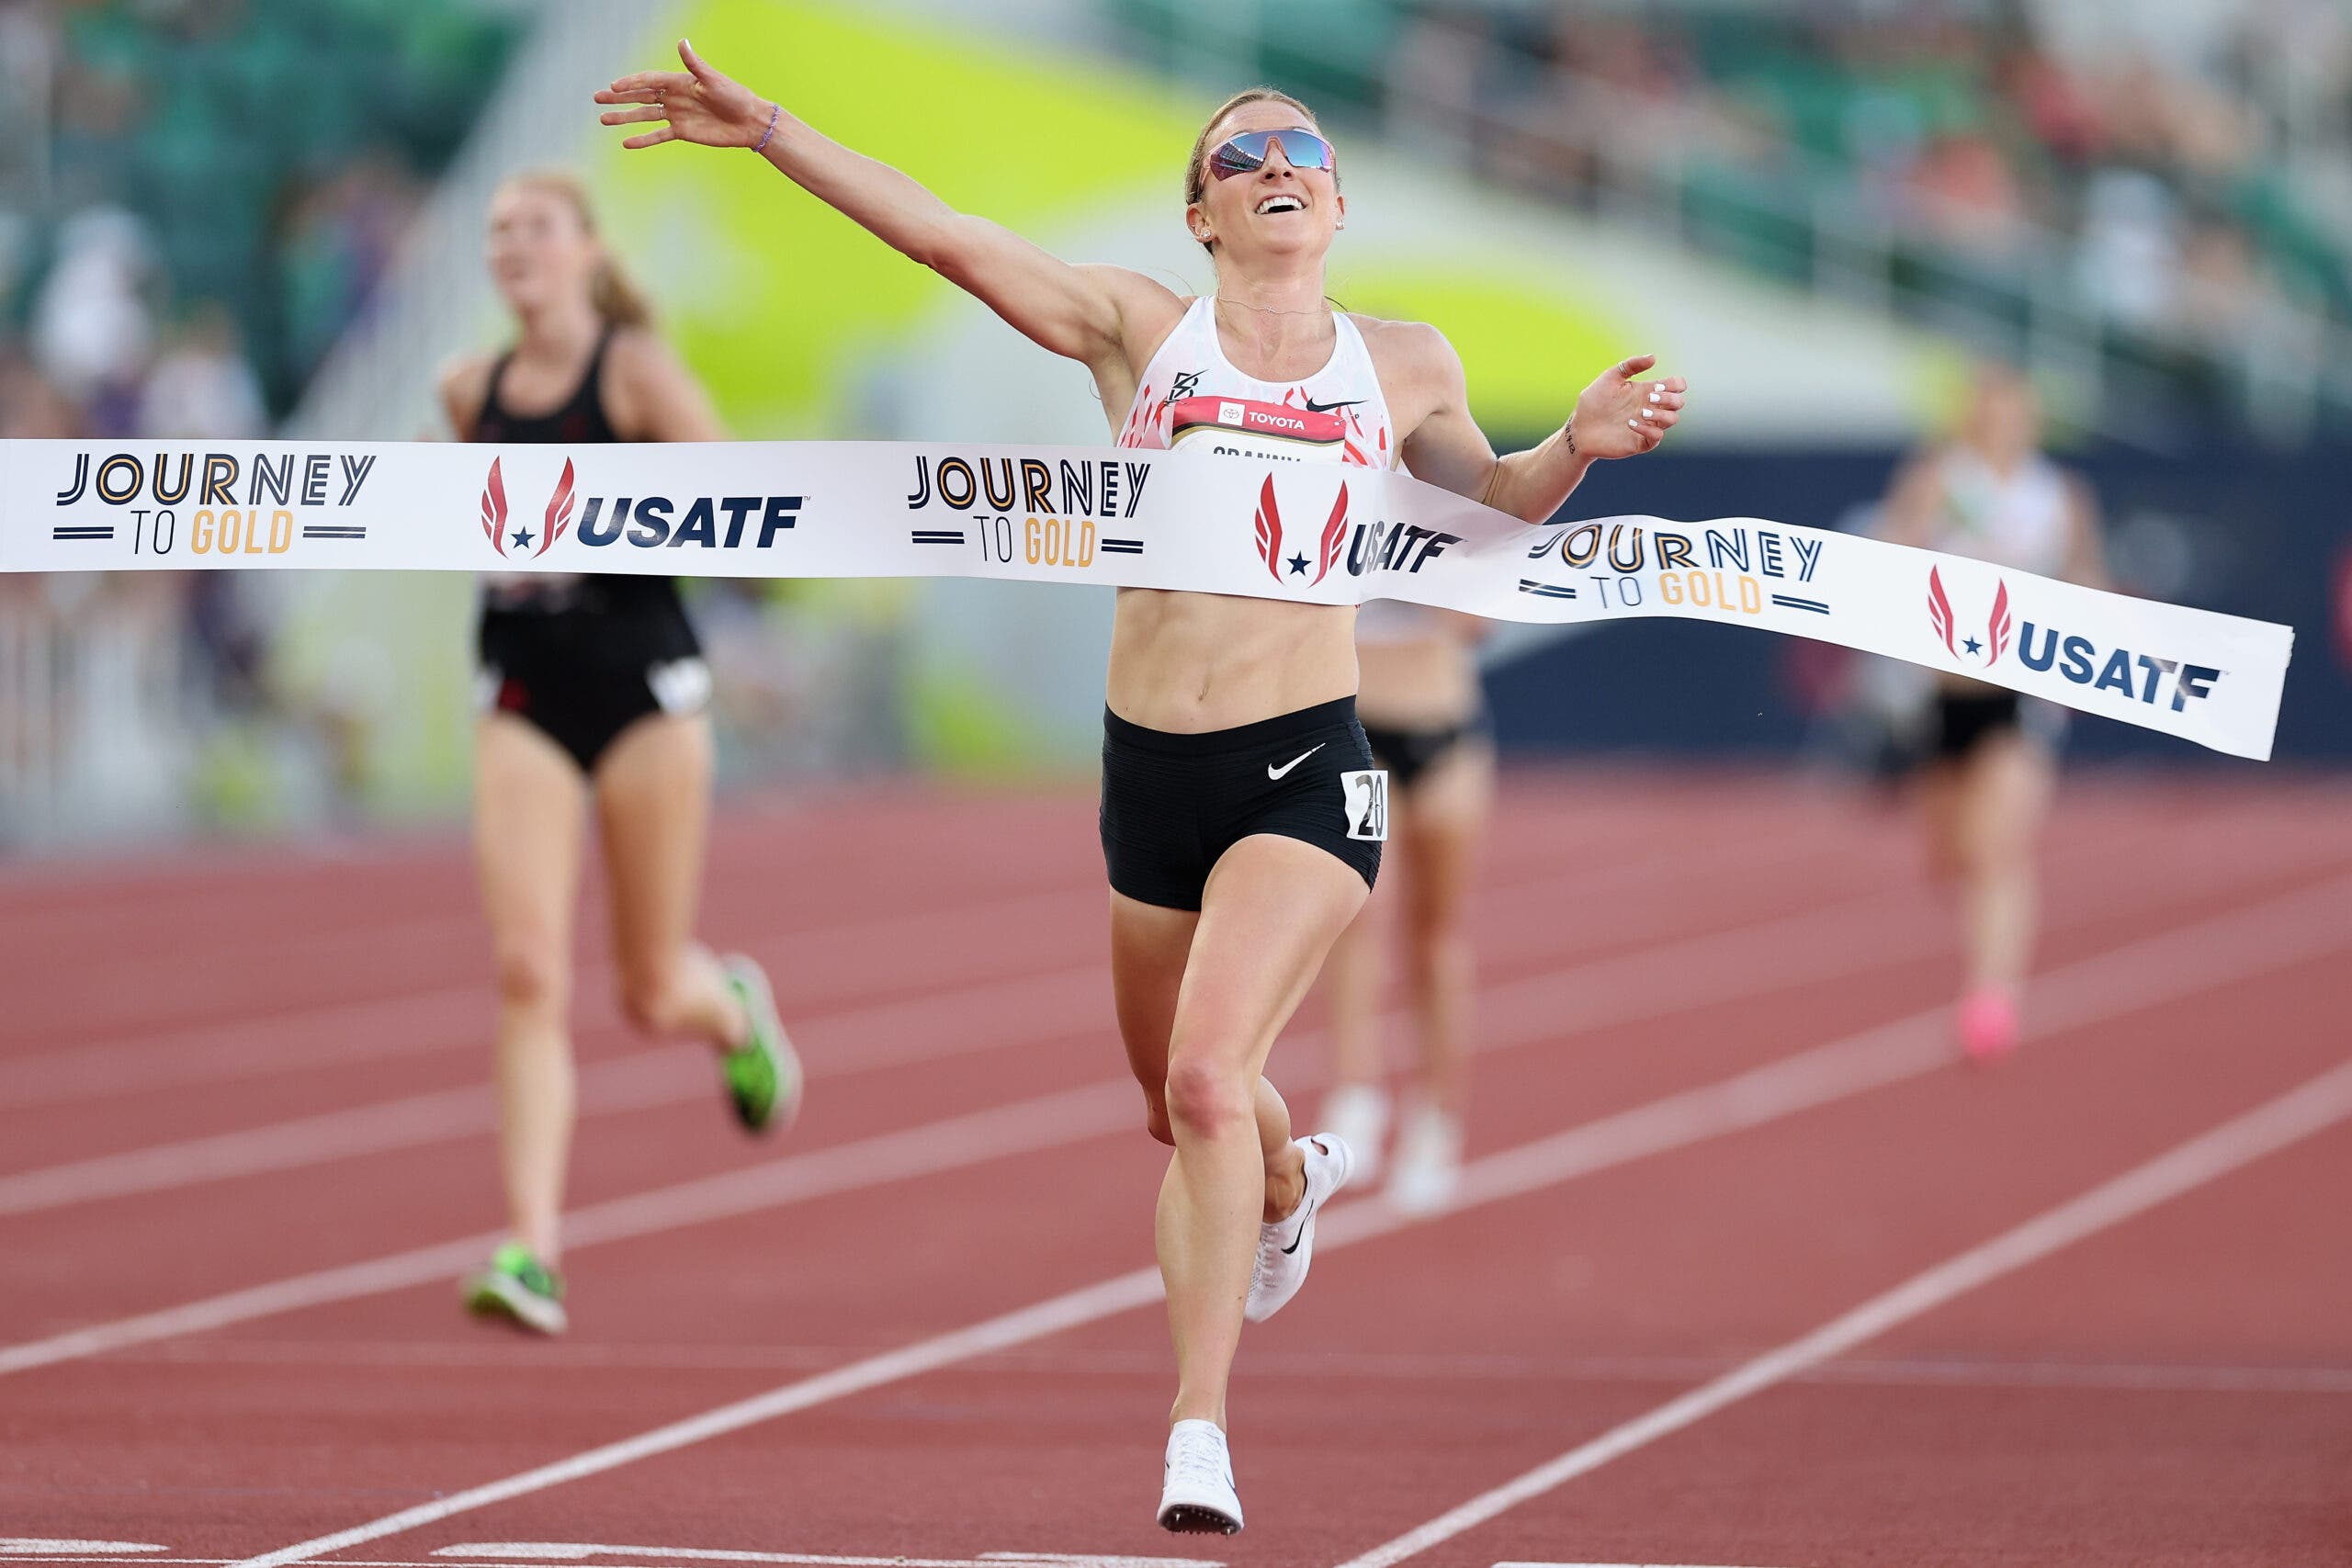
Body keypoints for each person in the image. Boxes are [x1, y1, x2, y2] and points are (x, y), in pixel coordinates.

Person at [597, 48, 1682, 1531]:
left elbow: (1493, 503)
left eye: (1299, 143)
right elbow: (943, 237)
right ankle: (1291, 1183)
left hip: (1308, 764)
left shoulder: (1404, 360)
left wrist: (1575, 447)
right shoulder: (1141, 331)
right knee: (1181, 1110)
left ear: (1341, 196)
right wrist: (769, 130)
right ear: (1202, 217)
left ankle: (1199, 1433)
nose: (1276, 162)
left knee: (1202, 1074)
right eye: (1241, 157)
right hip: (1150, 774)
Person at [439, 170, 803, 1336]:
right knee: (527, 970)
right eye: (496, 232)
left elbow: (750, 508)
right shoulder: (467, 390)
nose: (512, 247)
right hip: (525, 693)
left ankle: (734, 1012)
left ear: (588, 251)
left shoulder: (633, 373)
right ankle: (531, 1249)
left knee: (649, 990)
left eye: (534, 228)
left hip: (646, 690)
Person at [1878, 364, 2104, 1063]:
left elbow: (2089, 580)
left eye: (2016, 410)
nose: (2003, 420)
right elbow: (1884, 558)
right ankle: (1988, 967)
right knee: (1950, 858)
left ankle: (1992, 996)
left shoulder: (2059, 495)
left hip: (2020, 697)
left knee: (1999, 847)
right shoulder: (1940, 479)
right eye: (1991, 408)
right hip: (1943, 693)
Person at [1317, 604, 1493, 1213]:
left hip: (1446, 741)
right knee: (1358, 906)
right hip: (1365, 741)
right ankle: (1357, 1092)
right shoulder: (1345, 511)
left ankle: (1436, 1119)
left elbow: (1478, 625)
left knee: (1435, 935)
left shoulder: (1459, 510)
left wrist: (1423, 573)